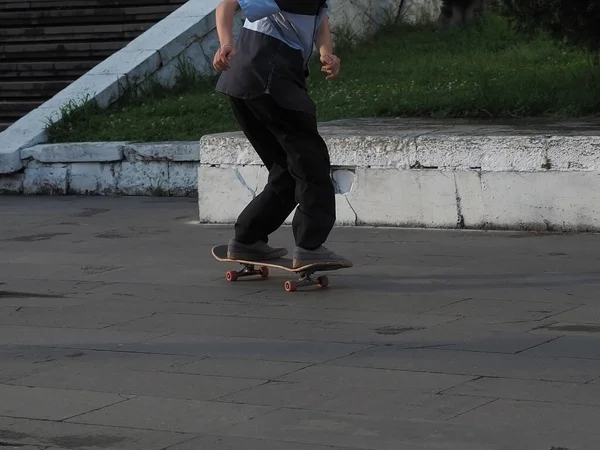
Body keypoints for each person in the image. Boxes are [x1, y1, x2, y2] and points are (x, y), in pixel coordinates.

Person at [212, 0, 352, 269]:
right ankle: (310, 246)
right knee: (311, 163)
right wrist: (226, 43)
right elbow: (227, 4)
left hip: (246, 84)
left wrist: (327, 53)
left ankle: (248, 238)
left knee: (286, 171)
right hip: (270, 78)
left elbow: (320, 21)